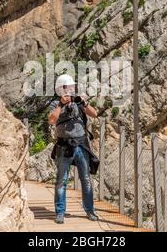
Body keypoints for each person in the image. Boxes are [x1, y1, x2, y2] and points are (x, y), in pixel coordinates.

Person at [48, 74, 99, 224]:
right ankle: (60, 212)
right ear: (60, 88)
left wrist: (84, 103)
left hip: (81, 144)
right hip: (64, 145)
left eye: (72, 87)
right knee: (61, 181)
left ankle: (90, 211)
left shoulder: (78, 101)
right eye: (68, 87)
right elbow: (52, 120)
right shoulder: (55, 104)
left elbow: (94, 114)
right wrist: (60, 105)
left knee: (86, 179)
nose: (71, 89)